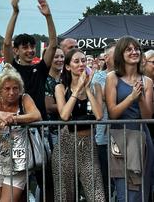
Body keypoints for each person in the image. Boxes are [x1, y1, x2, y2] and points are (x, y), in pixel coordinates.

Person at [3, 0, 57, 201]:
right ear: (17, 51)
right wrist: (15, 13)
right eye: (24, 47)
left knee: (46, 181)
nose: (29, 50)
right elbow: (6, 42)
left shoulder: (40, 69)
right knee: (19, 183)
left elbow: (52, 43)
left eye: (31, 46)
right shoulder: (12, 69)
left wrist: (48, 17)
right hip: (17, 132)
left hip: (40, 130)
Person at [0, 63, 42, 202]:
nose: (12, 92)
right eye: (7, 89)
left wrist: (12, 119)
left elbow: (36, 115)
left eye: (15, 88)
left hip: (18, 160)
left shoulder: (25, 98)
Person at [52, 48, 105, 201]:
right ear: (68, 66)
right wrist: (76, 90)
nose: (81, 64)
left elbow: (99, 115)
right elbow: (64, 115)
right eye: (76, 61)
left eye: (83, 60)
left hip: (88, 145)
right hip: (66, 144)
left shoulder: (96, 87)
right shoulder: (61, 87)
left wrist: (87, 88)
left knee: (97, 196)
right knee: (64, 196)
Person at [106, 36, 154, 201]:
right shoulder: (112, 78)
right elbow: (112, 113)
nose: (134, 52)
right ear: (121, 53)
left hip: (142, 136)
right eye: (129, 49)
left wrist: (140, 98)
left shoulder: (147, 81)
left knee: (141, 191)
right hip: (120, 138)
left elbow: (147, 116)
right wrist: (131, 97)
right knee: (124, 191)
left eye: (136, 49)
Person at [91, 42, 116, 200]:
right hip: (105, 136)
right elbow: (107, 99)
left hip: (124, 134)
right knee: (106, 179)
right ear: (106, 58)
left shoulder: (126, 74)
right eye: (116, 53)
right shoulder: (99, 77)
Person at [44, 47, 64, 149]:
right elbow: (49, 106)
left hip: (67, 129)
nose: (60, 59)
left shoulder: (65, 78)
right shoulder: (45, 80)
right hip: (52, 130)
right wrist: (70, 106)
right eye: (56, 57)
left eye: (62, 56)